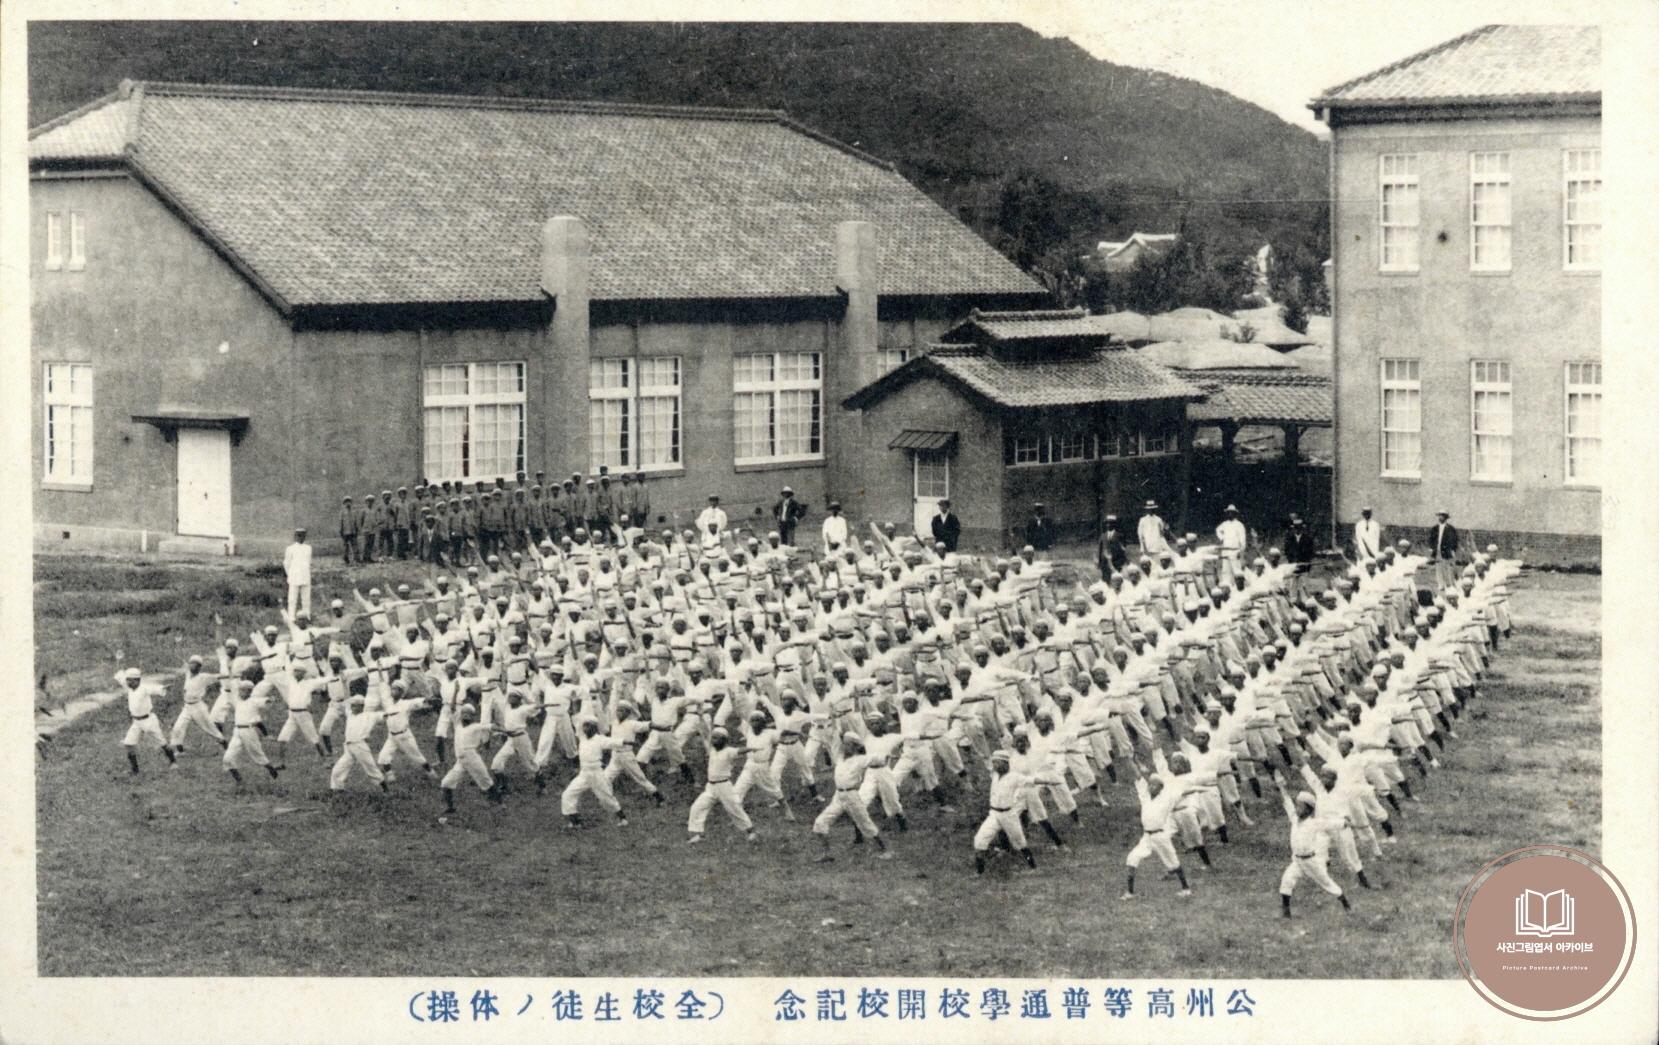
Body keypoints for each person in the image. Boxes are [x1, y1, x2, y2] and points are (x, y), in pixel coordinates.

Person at [118, 667, 176, 774]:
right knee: (129, 744)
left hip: (149, 721)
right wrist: (120, 673)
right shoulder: (129, 688)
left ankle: (173, 762)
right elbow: (121, 679)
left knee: (162, 742)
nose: (128, 683)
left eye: (130, 680)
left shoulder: (144, 688)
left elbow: (154, 688)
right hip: (136, 722)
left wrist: (162, 688)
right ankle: (135, 770)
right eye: (127, 680)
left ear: (137, 680)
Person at [283, 528, 313, 618]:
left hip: (305, 576)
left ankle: (306, 616)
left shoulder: (308, 548)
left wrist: (306, 572)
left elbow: (309, 562)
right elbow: (286, 563)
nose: (301, 538)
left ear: (305, 537)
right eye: (299, 535)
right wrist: (291, 574)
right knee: (292, 600)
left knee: (306, 599)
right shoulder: (290, 549)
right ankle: (291, 617)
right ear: (295, 536)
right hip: (294, 577)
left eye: (303, 536)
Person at [1214, 504, 1247, 573]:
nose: (1230, 514)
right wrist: (1222, 538)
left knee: (1236, 572)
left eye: (1231, 512)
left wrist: (1241, 553)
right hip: (1226, 552)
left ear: (1235, 514)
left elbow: (1243, 541)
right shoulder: (1225, 524)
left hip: (1235, 551)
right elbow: (1217, 530)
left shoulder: (1239, 525)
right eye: (1228, 512)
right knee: (1226, 572)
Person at [1097, 515, 1127, 581]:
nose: (1108, 525)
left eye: (1111, 523)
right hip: (1105, 562)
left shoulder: (1119, 535)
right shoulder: (1103, 536)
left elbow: (1123, 550)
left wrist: (1122, 561)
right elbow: (1100, 550)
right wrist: (1100, 562)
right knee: (1105, 578)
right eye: (1107, 523)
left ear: (1114, 524)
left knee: (1116, 578)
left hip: (1116, 562)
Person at [338, 496, 360, 564]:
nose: (348, 503)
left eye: (349, 501)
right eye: (346, 502)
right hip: (345, 532)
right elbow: (340, 521)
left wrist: (356, 529)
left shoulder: (354, 511)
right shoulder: (342, 512)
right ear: (344, 503)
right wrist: (341, 530)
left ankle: (356, 559)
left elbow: (356, 521)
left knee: (355, 545)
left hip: (353, 531)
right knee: (345, 546)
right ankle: (346, 559)